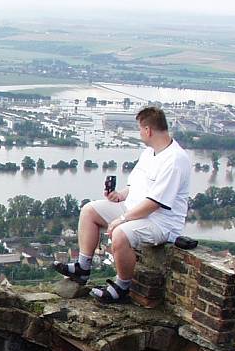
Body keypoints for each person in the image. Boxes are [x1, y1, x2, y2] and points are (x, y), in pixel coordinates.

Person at [53, 106, 190, 303]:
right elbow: (136, 186)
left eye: (139, 129)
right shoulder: (150, 153)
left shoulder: (175, 160)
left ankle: (122, 287)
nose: (139, 133)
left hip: (160, 222)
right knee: (89, 211)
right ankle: (83, 268)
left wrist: (122, 219)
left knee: (120, 233)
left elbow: (154, 203)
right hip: (134, 210)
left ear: (148, 130)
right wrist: (119, 196)